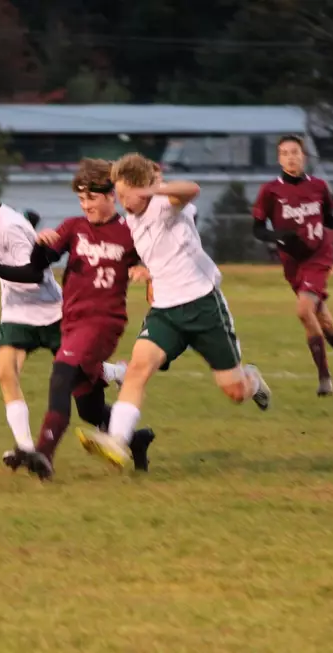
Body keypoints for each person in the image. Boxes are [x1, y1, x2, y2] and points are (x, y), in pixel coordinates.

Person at [77, 153, 271, 470]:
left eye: (126, 195)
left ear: (141, 190)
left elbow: (191, 189)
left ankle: (252, 379)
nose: (122, 201)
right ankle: (117, 441)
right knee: (138, 368)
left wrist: (153, 192)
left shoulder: (163, 205)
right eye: (119, 195)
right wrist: (147, 271)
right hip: (166, 311)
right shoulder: (132, 220)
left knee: (234, 391)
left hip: (203, 307)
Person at [0, 158, 156, 478]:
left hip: (104, 322)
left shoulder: (129, 233)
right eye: (81, 200)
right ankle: (136, 440)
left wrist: (147, 271)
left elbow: (158, 263)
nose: (86, 206)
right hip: (72, 322)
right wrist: (41, 246)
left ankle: (44, 453)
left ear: (112, 195)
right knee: (89, 407)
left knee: (61, 375)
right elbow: (34, 269)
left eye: (92, 199)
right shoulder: (73, 227)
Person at [0, 164, 68, 476]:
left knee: (84, 382)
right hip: (17, 312)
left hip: (49, 310)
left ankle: (116, 372)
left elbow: (32, 277)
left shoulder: (9, 226)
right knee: (5, 373)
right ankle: (26, 447)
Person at [251, 135, 333, 397]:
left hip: (318, 257)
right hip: (292, 263)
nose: (291, 157)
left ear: (304, 156)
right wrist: (276, 236)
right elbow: (257, 229)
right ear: (279, 159)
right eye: (285, 153)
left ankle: (324, 378)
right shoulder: (270, 191)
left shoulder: (319, 186)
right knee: (322, 319)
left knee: (304, 311)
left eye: (295, 152)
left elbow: (327, 218)